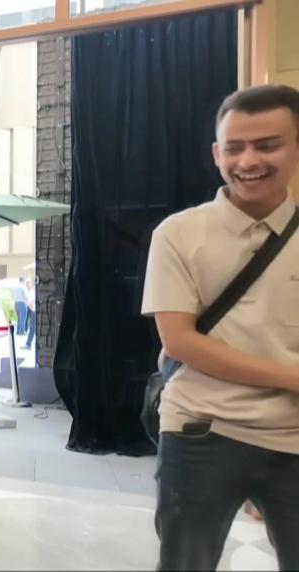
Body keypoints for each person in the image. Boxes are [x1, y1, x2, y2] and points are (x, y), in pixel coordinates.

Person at [141, 84, 299, 571]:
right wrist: (292, 377)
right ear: (216, 154)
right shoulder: (178, 233)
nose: (248, 160)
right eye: (234, 147)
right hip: (200, 429)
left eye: (267, 145)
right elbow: (180, 340)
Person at [23, 278, 36, 350]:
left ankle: (28, 345)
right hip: (34, 311)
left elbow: (29, 302)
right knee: (32, 328)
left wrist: (31, 306)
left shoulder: (32, 292)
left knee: (32, 328)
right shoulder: (32, 292)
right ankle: (28, 344)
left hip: (34, 311)